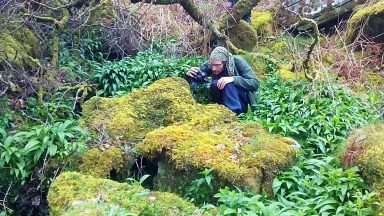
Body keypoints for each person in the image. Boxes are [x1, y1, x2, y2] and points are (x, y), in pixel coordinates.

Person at [186, 46, 259, 115]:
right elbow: (200, 76)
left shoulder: (238, 62)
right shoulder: (213, 63)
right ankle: (219, 110)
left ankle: (234, 114)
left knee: (227, 84)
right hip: (220, 103)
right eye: (212, 65)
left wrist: (233, 79)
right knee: (215, 83)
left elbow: (254, 83)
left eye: (217, 65)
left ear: (225, 63)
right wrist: (190, 75)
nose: (213, 68)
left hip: (240, 102)